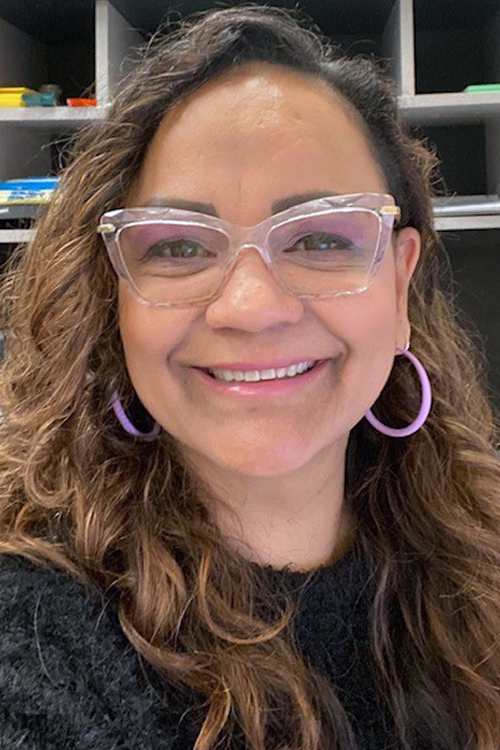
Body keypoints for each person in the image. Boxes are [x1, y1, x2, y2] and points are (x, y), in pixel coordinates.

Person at [1, 4, 500, 749]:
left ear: (400, 289)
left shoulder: (481, 556)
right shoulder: (38, 632)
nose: (250, 307)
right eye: (176, 247)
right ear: (115, 302)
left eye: (322, 236)